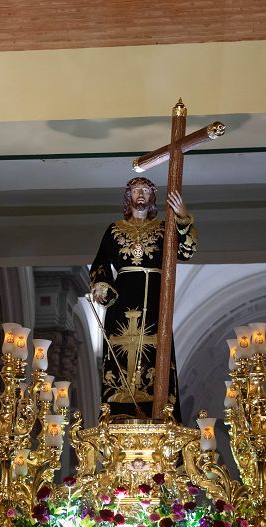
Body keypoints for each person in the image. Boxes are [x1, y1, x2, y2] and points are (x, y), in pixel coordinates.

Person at [89, 177, 197, 420]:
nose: (141, 194)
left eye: (146, 191)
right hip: (122, 300)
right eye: (136, 190)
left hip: (155, 300)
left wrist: (182, 216)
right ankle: (119, 411)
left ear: (152, 197)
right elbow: (100, 264)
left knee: (156, 349)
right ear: (128, 197)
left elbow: (187, 251)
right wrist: (101, 285)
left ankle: (157, 408)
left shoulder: (163, 228)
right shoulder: (114, 229)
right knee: (121, 348)